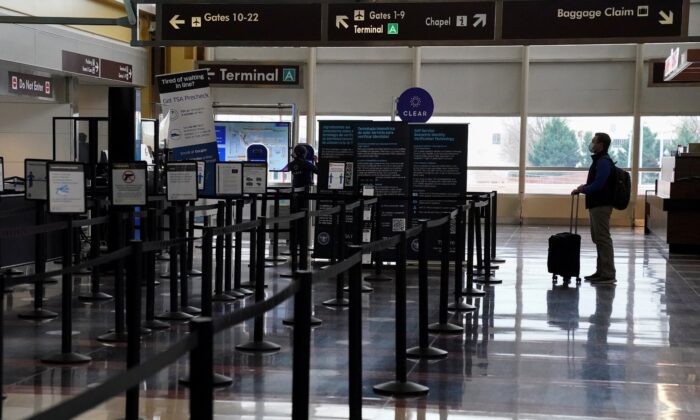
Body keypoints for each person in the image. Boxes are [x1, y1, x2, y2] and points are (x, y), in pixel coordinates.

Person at [571, 132, 616, 284]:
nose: (591, 144)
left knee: (603, 238)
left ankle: (608, 273)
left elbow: (599, 184)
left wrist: (582, 189)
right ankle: (601, 271)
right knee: (598, 238)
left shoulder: (603, 161)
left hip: (601, 205)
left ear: (601, 145)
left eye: (594, 141)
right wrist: (583, 189)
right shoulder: (599, 160)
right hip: (596, 204)